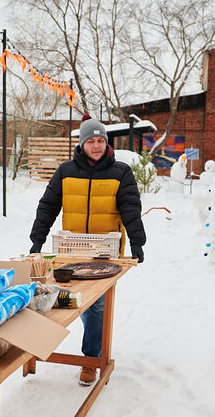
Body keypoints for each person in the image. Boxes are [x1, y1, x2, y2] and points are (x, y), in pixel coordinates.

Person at [29, 114, 146, 386]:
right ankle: (38, 344)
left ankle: (90, 359)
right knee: (62, 298)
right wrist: (37, 238)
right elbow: (48, 206)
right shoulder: (65, 171)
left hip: (105, 252)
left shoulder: (121, 172)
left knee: (96, 306)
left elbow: (131, 208)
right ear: (81, 144)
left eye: (100, 140)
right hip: (71, 250)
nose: (96, 146)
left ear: (107, 143)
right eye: (90, 141)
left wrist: (138, 241)